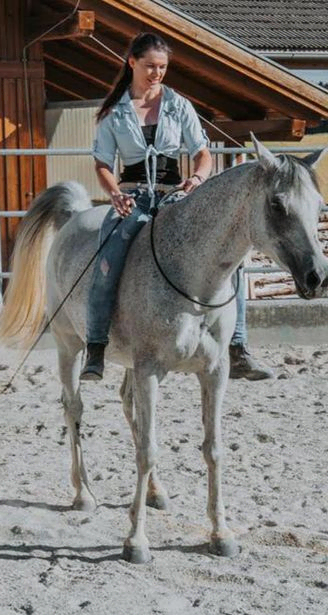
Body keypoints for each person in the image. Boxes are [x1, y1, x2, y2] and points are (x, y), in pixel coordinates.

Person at [80, 32, 273, 382]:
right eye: (151, 66)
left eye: (163, 67)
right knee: (107, 261)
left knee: (231, 258)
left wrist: (197, 179)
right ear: (132, 63)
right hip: (134, 197)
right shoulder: (114, 112)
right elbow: (103, 164)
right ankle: (95, 346)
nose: (157, 74)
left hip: (176, 195)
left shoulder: (178, 105)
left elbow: (202, 153)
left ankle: (239, 347)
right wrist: (114, 194)